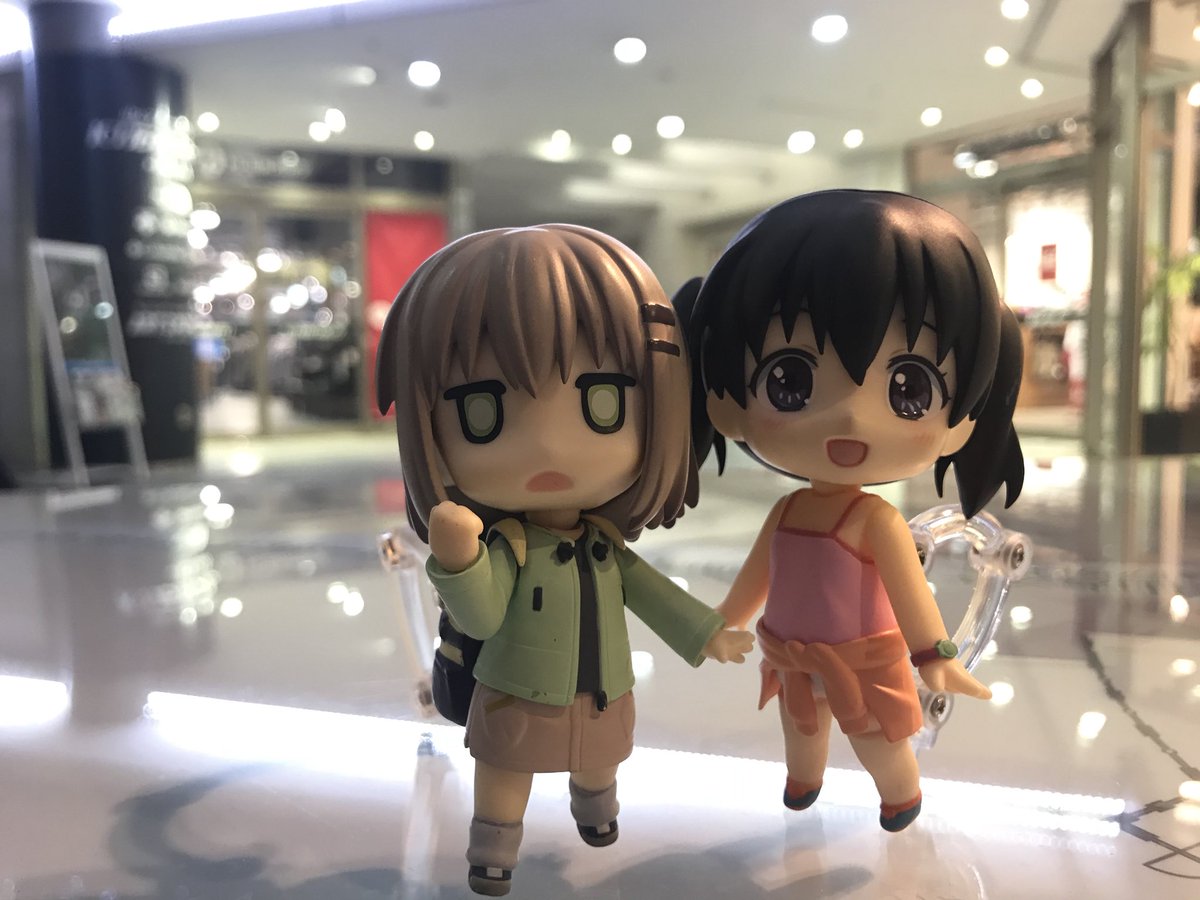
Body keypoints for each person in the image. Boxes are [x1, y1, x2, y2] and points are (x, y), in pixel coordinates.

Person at [376, 223, 753, 896]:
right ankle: (493, 848)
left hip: (603, 691)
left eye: (602, 403)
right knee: (504, 772)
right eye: (483, 413)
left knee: (600, 762)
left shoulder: (607, 548)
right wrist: (460, 560)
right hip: (516, 695)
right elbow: (482, 615)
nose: (548, 447)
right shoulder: (511, 547)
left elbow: (656, 596)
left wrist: (707, 633)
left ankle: (596, 809)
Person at [676, 190, 1024, 832]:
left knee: (876, 737)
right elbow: (757, 578)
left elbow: (910, 594)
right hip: (791, 653)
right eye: (789, 380)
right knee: (801, 726)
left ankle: (901, 793)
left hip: (863, 660)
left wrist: (934, 655)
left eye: (909, 388)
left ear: (961, 421)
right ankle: (803, 780)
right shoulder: (787, 511)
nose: (851, 418)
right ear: (726, 402)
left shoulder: (876, 522)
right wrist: (722, 622)